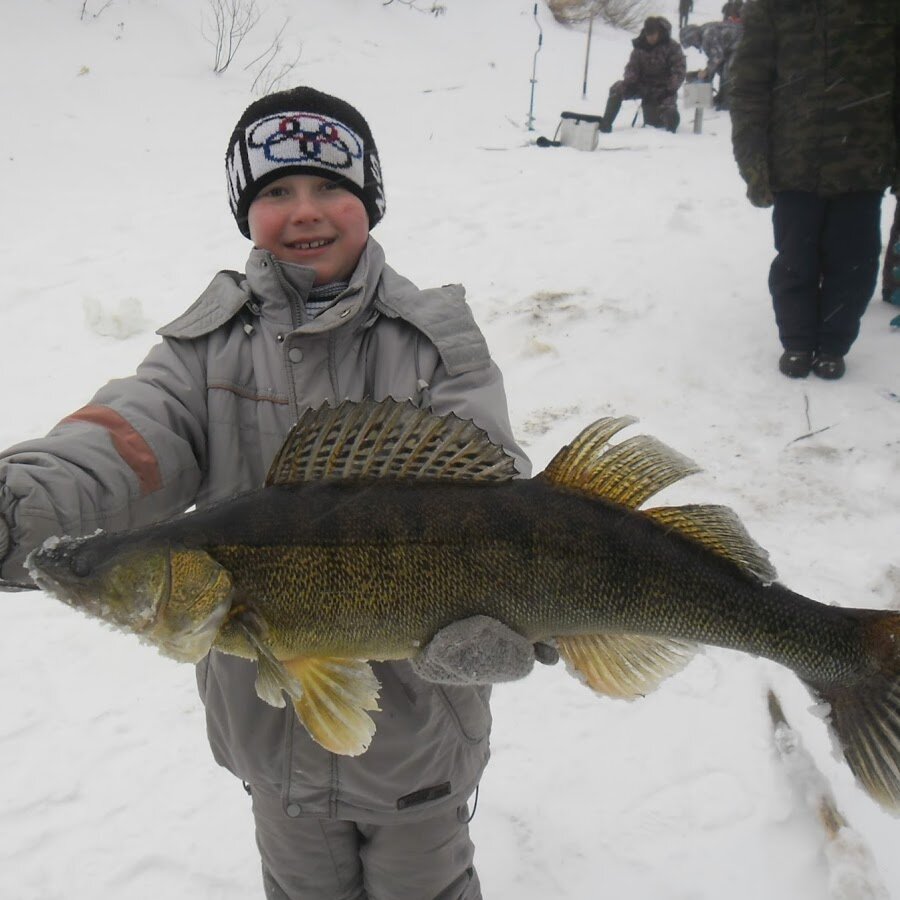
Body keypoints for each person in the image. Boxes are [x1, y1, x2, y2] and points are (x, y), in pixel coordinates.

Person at [0, 86, 549, 900]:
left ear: (370, 200)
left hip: (421, 735)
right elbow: (122, 442)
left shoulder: (437, 341)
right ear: (245, 212)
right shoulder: (203, 353)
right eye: (275, 192)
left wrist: (535, 597)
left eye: (331, 186)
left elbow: (490, 484)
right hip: (271, 743)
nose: (305, 211)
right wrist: (16, 507)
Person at [729, 1, 899, 380]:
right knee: (795, 260)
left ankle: (834, 345)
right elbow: (749, 87)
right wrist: (753, 160)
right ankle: (798, 342)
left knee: (854, 263)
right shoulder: (775, 7)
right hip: (794, 160)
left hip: (863, 159)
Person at [599, 16, 687, 134]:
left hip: (664, 89)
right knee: (617, 88)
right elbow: (631, 66)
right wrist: (630, 80)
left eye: (653, 34)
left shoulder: (672, 47)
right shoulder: (640, 46)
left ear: (659, 32)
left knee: (665, 120)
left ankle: (668, 127)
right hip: (642, 86)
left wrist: (669, 89)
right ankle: (605, 125)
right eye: (648, 35)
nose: (650, 38)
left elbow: (679, 71)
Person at [679, 20, 743, 111]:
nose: (694, 46)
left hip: (743, 45)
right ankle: (722, 96)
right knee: (721, 69)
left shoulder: (708, 35)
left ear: (693, 38)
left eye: (691, 44)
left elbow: (717, 57)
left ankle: (728, 101)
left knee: (729, 69)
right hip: (734, 47)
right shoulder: (705, 32)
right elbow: (716, 59)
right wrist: (708, 72)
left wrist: (706, 71)